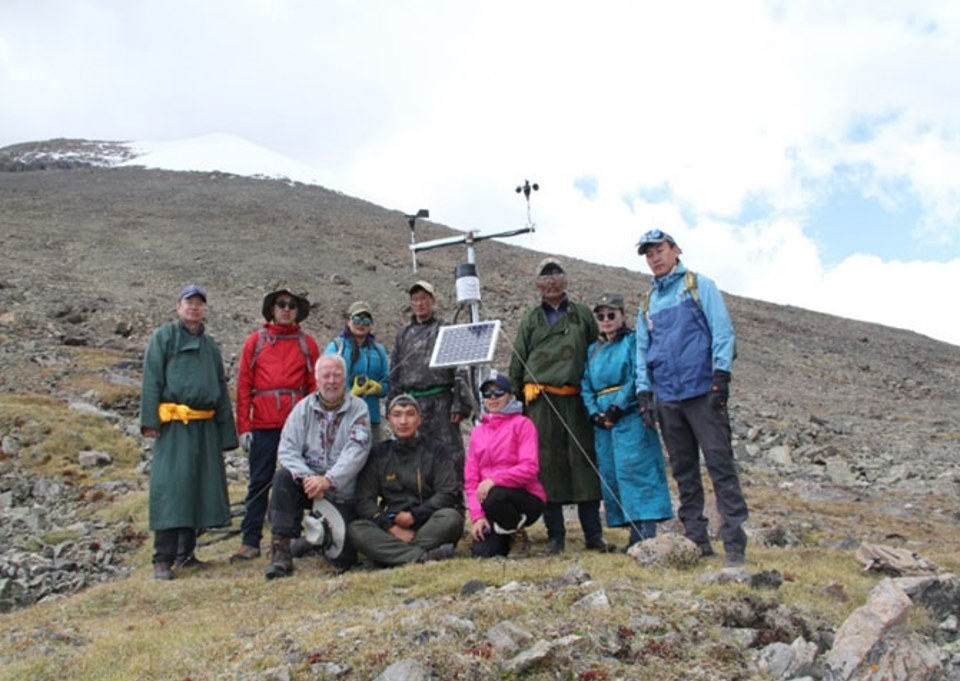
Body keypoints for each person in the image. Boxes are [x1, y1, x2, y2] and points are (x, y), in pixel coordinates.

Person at [635, 229, 749, 566]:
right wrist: (644, 392)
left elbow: (722, 330)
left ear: (675, 250)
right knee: (684, 472)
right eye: (649, 254)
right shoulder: (647, 302)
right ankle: (697, 540)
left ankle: (734, 545)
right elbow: (643, 352)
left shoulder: (699, 286)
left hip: (703, 392)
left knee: (720, 466)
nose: (654, 258)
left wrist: (721, 377)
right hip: (668, 397)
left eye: (659, 250)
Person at [508, 257, 614, 555]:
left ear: (565, 280)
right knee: (546, 468)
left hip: (577, 398)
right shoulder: (530, 319)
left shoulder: (581, 314)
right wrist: (516, 400)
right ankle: (556, 536)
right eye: (545, 275)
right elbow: (518, 358)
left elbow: (597, 353)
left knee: (584, 465)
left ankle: (594, 534)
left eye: (556, 273)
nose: (551, 280)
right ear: (537, 284)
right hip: (540, 403)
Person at [139, 284, 238, 581]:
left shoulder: (210, 346)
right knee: (173, 489)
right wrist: (150, 422)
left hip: (205, 426)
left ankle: (187, 553)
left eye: (199, 303)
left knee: (199, 488)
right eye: (189, 302)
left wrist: (226, 433)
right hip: (175, 425)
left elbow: (220, 389)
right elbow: (151, 379)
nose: (194, 307)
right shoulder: (163, 338)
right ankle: (163, 557)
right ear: (178, 306)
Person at [231, 286, 320, 563]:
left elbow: (314, 386)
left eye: (291, 305)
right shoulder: (254, 342)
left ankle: (291, 537)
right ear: (272, 308)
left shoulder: (307, 344)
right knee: (259, 481)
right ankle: (250, 540)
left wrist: (315, 426)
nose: (286, 309)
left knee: (298, 480)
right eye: (281, 304)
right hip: (264, 425)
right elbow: (244, 386)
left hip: (298, 426)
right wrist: (244, 427)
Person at [264, 354, 372, 579]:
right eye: (326, 375)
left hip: (341, 491)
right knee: (283, 477)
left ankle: (311, 541)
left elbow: (356, 451)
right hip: (309, 485)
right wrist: (307, 478)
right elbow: (287, 449)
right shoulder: (302, 409)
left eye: (337, 375)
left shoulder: (359, 409)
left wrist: (329, 480)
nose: (331, 381)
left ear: (346, 378)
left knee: (344, 559)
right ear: (316, 378)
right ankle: (281, 552)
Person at [581, 293, 673, 549]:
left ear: (623, 316)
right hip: (603, 421)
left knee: (637, 470)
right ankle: (632, 531)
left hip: (629, 415)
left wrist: (617, 407)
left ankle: (646, 531)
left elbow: (638, 375)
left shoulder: (633, 342)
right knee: (613, 473)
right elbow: (586, 383)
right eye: (601, 316)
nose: (606, 320)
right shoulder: (592, 350)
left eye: (612, 315)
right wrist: (594, 413)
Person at [348, 394, 464, 567]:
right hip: (391, 525)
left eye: (410, 414)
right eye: (397, 415)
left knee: (451, 518)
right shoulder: (378, 453)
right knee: (356, 529)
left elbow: (447, 492)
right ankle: (423, 556)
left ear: (419, 419)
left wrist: (414, 516)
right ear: (388, 420)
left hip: (428, 524)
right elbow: (364, 499)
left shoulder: (436, 450)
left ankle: (388, 556)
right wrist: (391, 528)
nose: (403, 421)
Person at [387, 281, 471, 475]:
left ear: (433, 300)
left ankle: (455, 499)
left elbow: (461, 368)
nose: (419, 303)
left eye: (424, 299)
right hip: (411, 404)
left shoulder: (446, 328)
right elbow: (394, 372)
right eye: (415, 299)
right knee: (414, 453)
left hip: (441, 402)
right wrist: (392, 406)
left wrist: (461, 404)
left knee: (450, 455)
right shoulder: (403, 334)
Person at [464, 372, 546, 558]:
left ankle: (518, 535)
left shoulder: (523, 424)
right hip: (490, 502)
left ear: (510, 395)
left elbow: (530, 468)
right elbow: (470, 481)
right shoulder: (478, 433)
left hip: (525, 497)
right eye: (487, 394)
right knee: (482, 553)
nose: (493, 398)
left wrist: (494, 480)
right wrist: (477, 517)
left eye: (499, 392)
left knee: (496, 496)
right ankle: (505, 536)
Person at [325, 300, 389, 442]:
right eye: (357, 319)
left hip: (371, 418)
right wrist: (350, 394)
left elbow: (388, 384)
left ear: (371, 324)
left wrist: (378, 388)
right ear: (348, 321)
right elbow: (325, 383)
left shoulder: (379, 351)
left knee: (373, 462)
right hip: (342, 418)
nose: (361, 324)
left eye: (366, 320)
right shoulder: (336, 348)